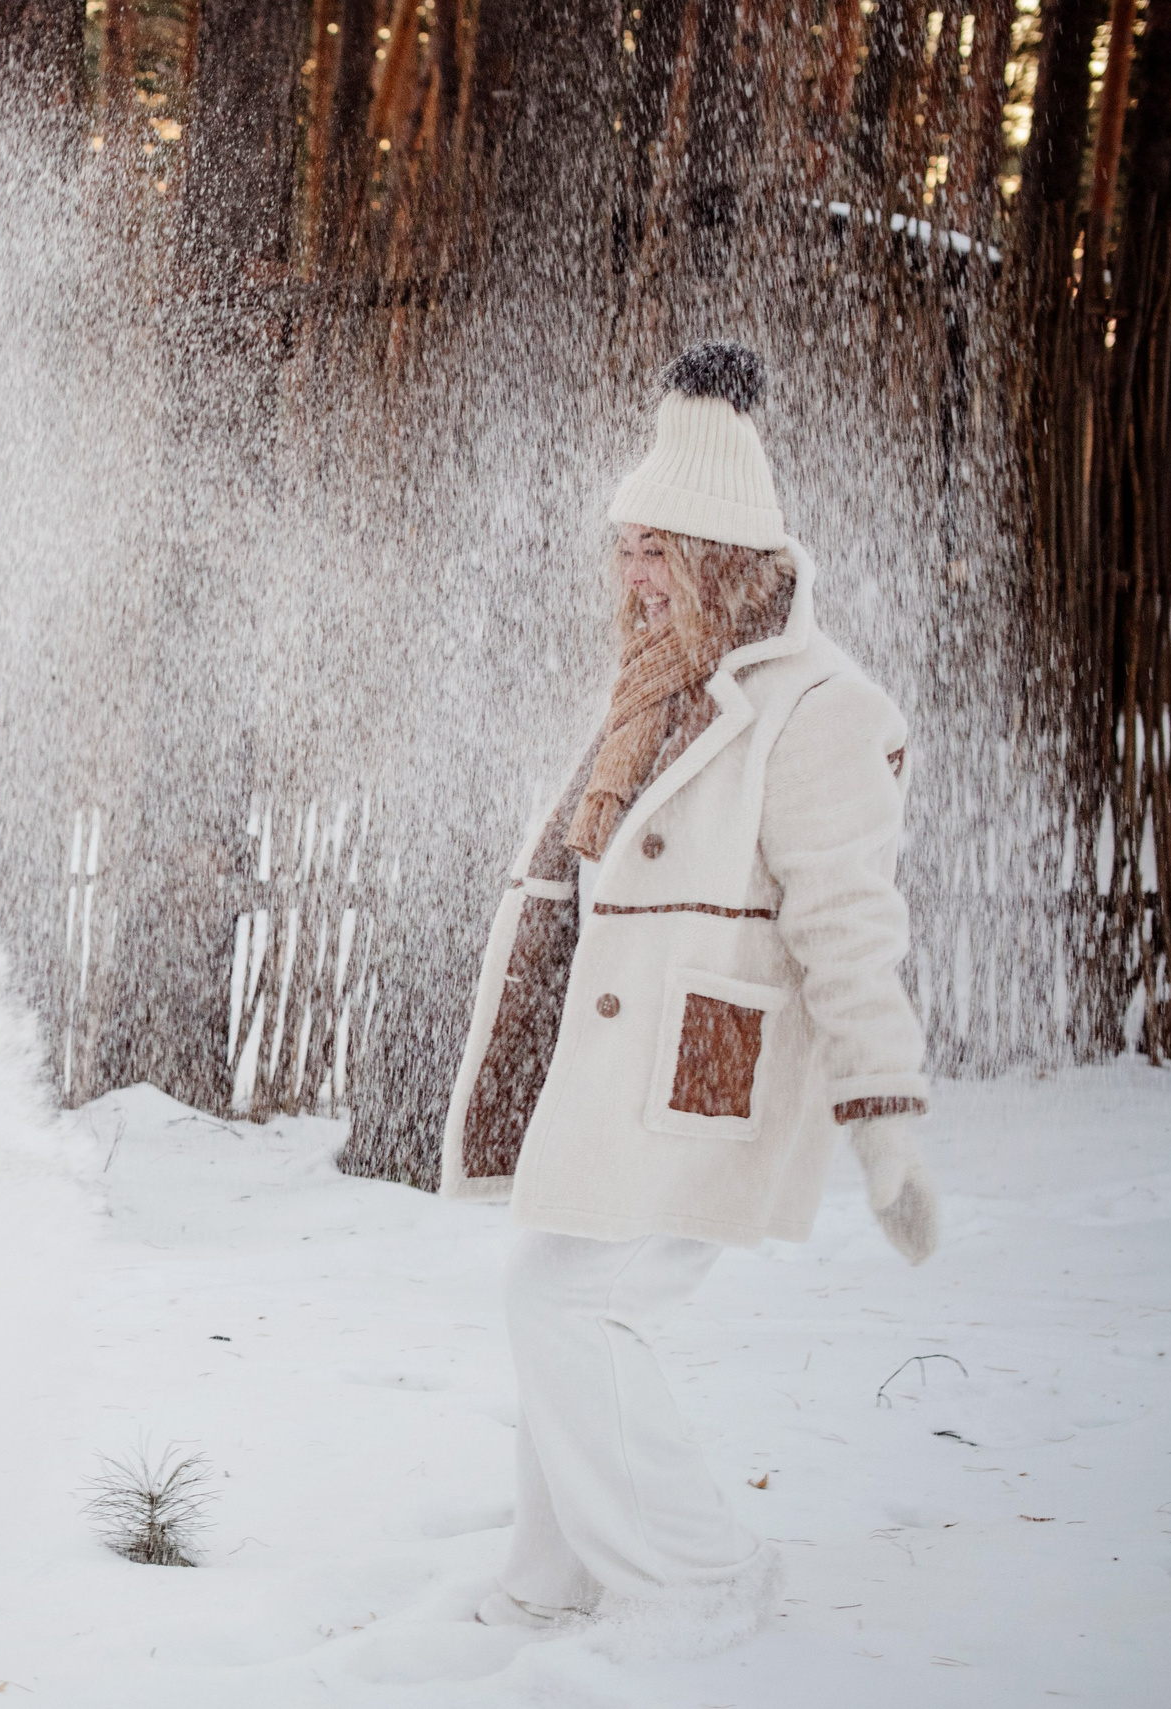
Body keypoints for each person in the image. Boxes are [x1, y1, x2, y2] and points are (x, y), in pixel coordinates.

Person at [438, 342, 939, 1644]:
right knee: (549, 1285)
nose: (633, 573)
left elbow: (845, 923)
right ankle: (560, 1572)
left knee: (570, 1301)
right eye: (626, 545)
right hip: (620, 1079)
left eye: (661, 549)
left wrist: (886, 1126)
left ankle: (699, 1574)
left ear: (727, 557)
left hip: (706, 1080)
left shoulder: (820, 709)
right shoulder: (650, 692)